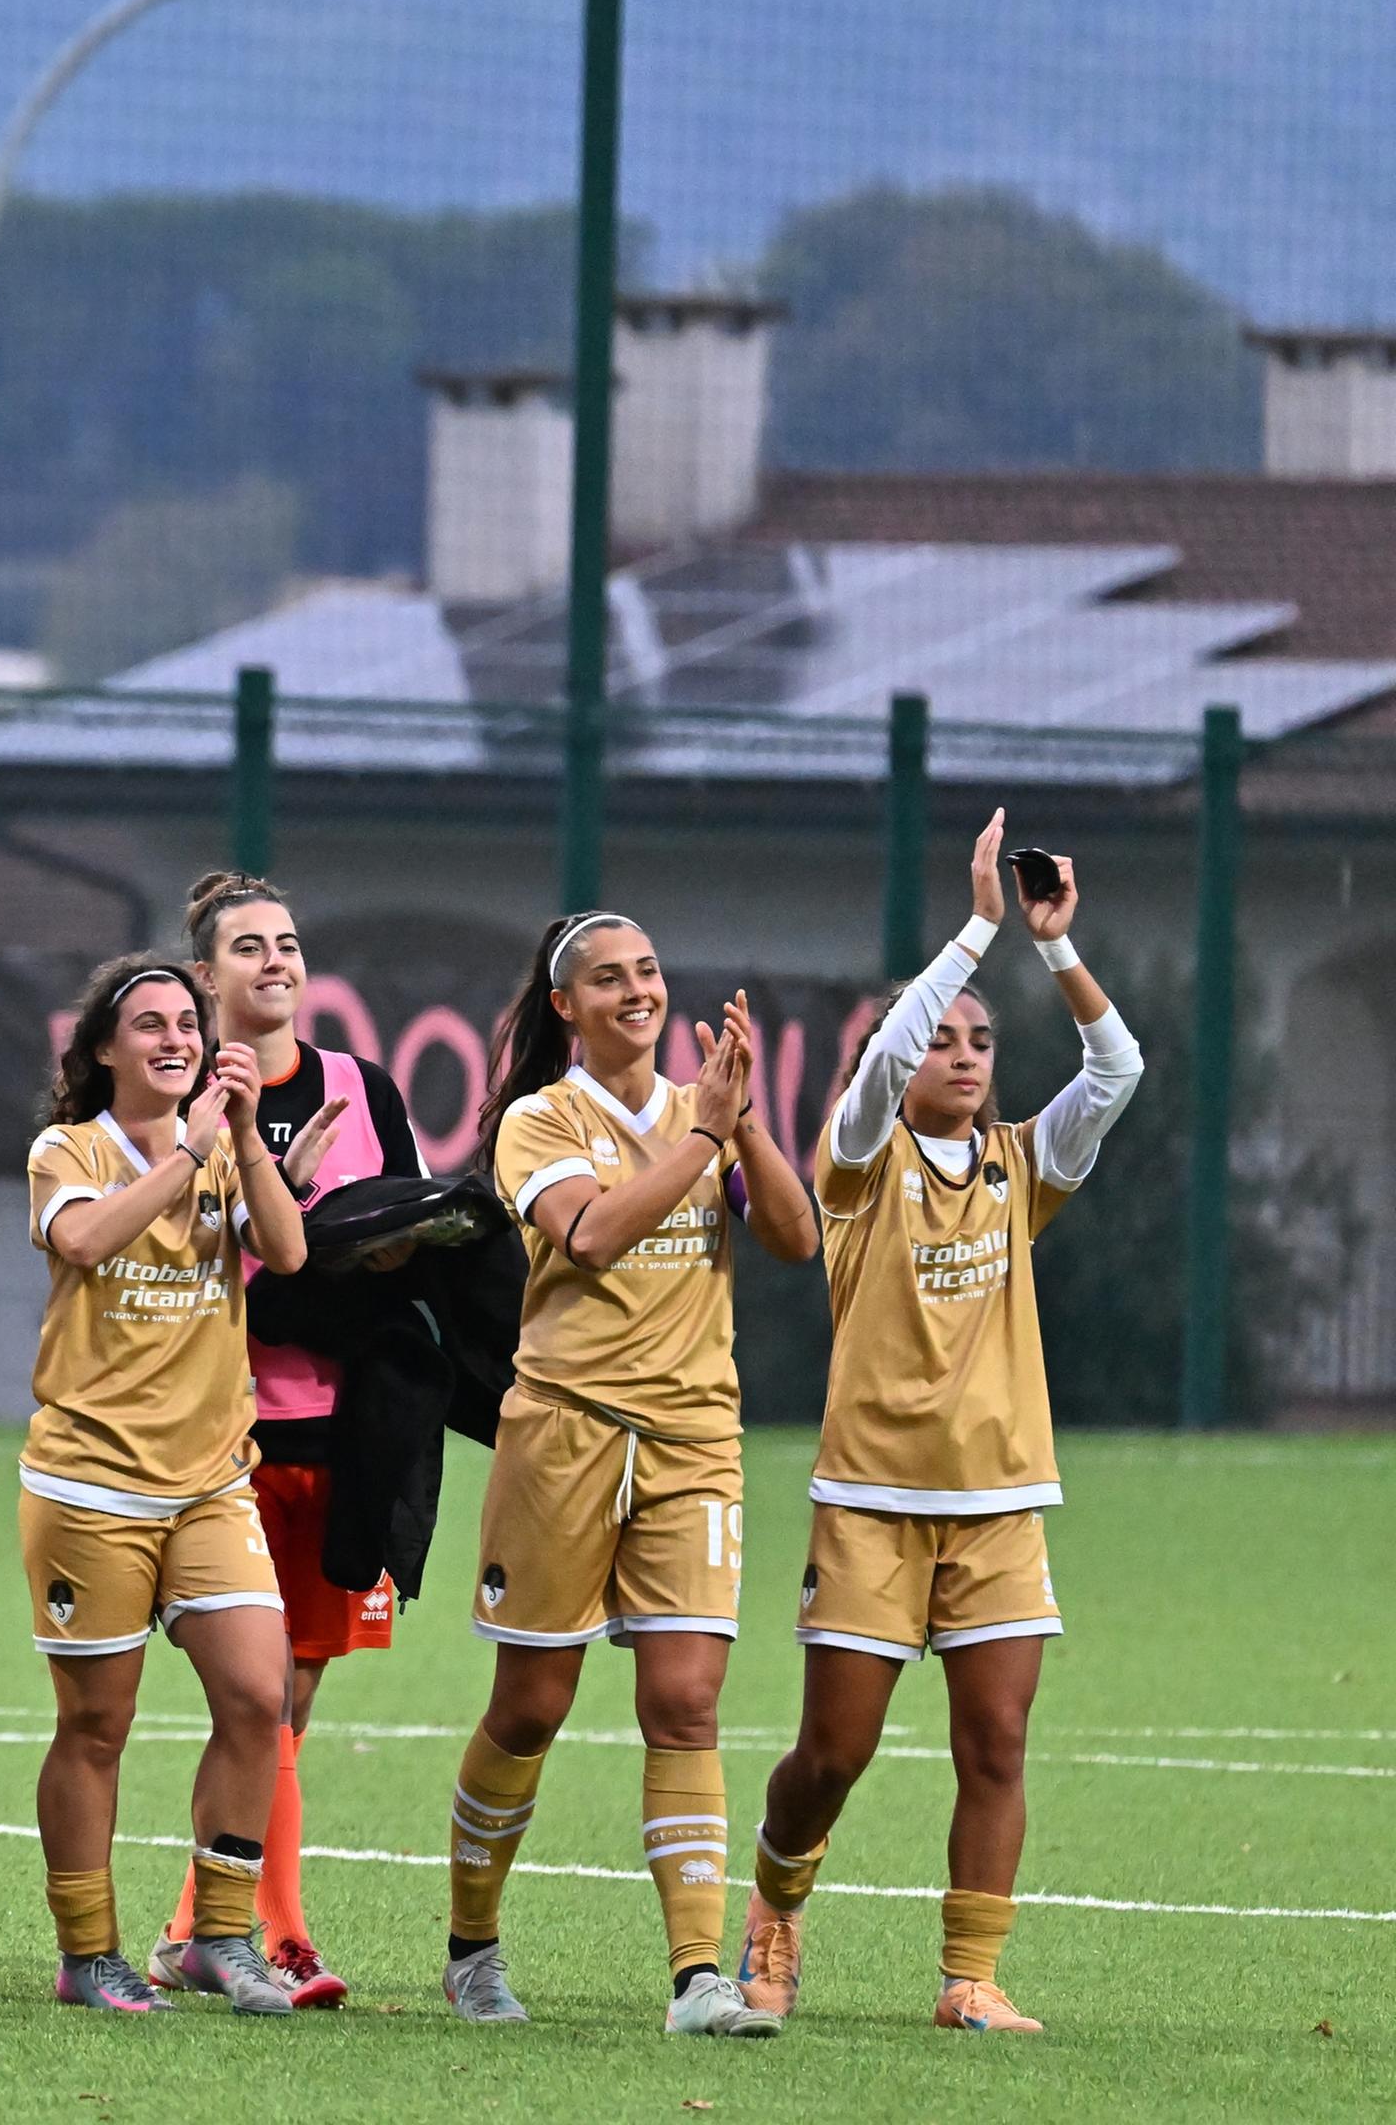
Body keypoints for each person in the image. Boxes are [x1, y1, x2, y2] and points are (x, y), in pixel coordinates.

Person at [735, 815, 1140, 2035]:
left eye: (981, 1041)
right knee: (832, 1756)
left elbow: (1117, 1072)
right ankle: (774, 1914)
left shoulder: (1025, 1164)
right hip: (870, 1503)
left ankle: (969, 1978)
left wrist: (1056, 950)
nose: (962, 1053)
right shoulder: (857, 1164)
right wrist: (975, 931)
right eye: (942, 1039)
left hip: (1002, 1502)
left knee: (999, 1743)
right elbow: (877, 1065)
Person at [437, 911, 818, 2034]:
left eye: (648, 971)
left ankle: (699, 1978)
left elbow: (797, 1242)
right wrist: (703, 1137)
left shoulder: (705, 1115)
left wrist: (740, 1128)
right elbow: (592, 1235)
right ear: (566, 1006)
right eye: (608, 979)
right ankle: (472, 1948)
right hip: (563, 1434)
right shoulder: (536, 1120)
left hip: (694, 1440)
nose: (636, 992)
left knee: (686, 1700)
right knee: (531, 1705)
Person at [149, 872, 424, 2006]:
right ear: (203, 976)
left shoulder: (364, 1087)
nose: (275, 961)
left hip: (341, 1436)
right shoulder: (175, 1104)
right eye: (248, 947)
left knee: (291, 1701)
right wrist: (287, 1212)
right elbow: (157, 1264)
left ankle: (195, 1930)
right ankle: (280, 1936)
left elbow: (414, 1237)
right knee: (253, 1699)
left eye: (288, 944)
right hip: (218, 1442)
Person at [23, 957, 310, 2016]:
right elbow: (90, 1240)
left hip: (208, 1483)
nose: (174, 1040)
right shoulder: (69, 1149)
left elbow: (284, 1252)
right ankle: (86, 1953)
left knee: (255, 1695)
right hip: (89, 1485)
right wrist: (185, 1150)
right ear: (105, 1048)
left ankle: (218, 1937)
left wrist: (236, 1139)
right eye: (148, 1026)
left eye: (186, 1024)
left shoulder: (221, 1148)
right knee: (97, 1724)